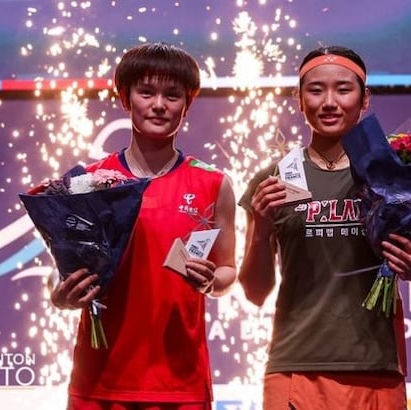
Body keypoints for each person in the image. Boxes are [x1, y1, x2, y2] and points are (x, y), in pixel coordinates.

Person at [238, 45, 411, 409]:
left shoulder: (395, 174)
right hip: (295, 368)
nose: (329, 102)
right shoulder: (272, 181)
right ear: (299, 99)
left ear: (365, 99)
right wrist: (261, 228)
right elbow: (255, 292)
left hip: (377, 367)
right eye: (316, 90)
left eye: (343, 89)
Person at [49, 42, 237, 410]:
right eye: (146, 92)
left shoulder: (214, 183)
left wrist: (212, 281)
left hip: (181, 385)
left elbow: (228, 270)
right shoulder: (89, 183)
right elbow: (64, 274)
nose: (159, 105)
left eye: (172, 95)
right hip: (99, 383)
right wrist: (61, 297)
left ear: (188, 104)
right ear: (125, 98)